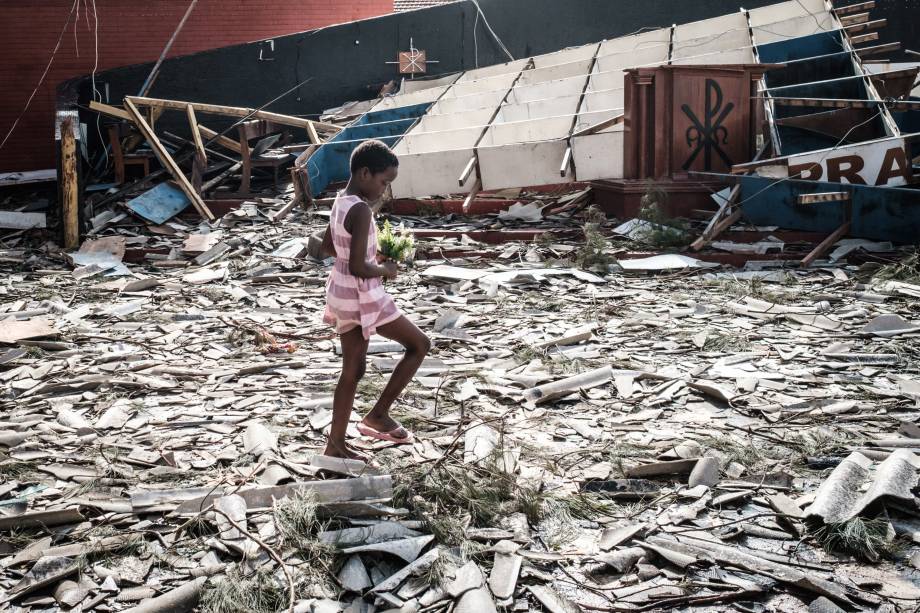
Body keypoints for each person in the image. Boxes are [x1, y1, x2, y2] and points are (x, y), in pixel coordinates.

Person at [320, 139, 431, 460]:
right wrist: (385, 269)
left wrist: (370, 253)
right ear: (365, 173)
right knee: (419, 345)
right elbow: (358, 266)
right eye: (384, 183)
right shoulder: (362, 211)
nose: (384, 191)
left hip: (341, 291)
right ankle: (378, 415)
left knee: (352, 370)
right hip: (362, 295)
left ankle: (336, 444)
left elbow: (330, 247)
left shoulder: (341, 201)